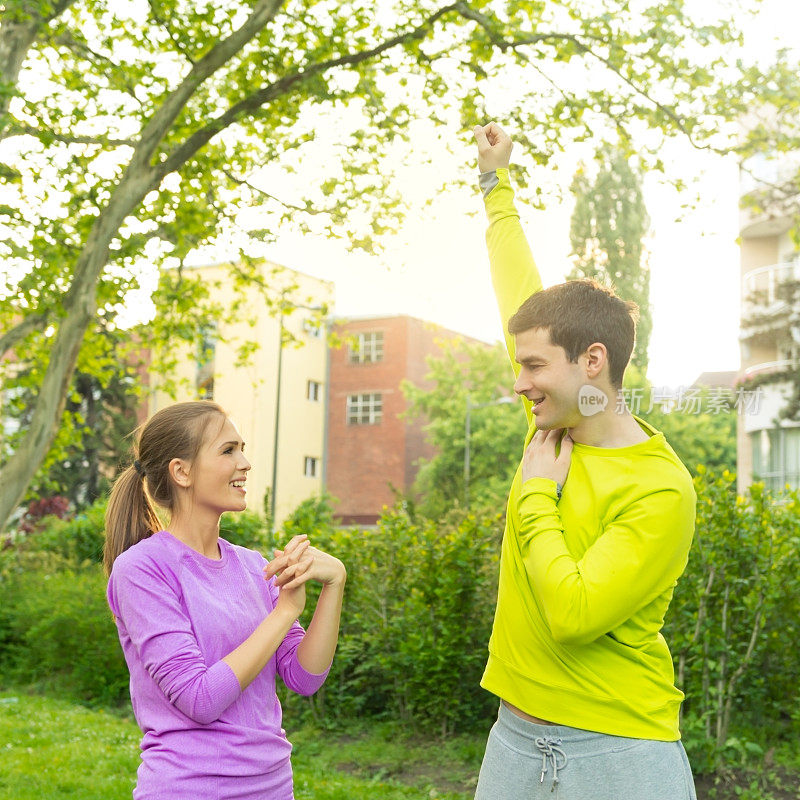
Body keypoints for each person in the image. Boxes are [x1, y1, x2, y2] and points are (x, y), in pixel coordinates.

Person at [470, 122, 698, 800]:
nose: (519, 384)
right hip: (512, 739)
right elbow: (518, 288)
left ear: (591, 362)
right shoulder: (554, 420)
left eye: (533, 366)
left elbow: (573, 612)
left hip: (618, 753)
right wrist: (493, 182)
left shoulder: (661, 490)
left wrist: (536, 496)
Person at [103, 400, 346, 800]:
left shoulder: (254, 566)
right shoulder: (142, 569)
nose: (245, 462)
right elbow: (199, 699)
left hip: (272, 786)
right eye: (228, 450)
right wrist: (284, 611)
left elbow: (305, 678)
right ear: (181, 472)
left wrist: (334, 584)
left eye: (243, 448)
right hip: (189, 788)